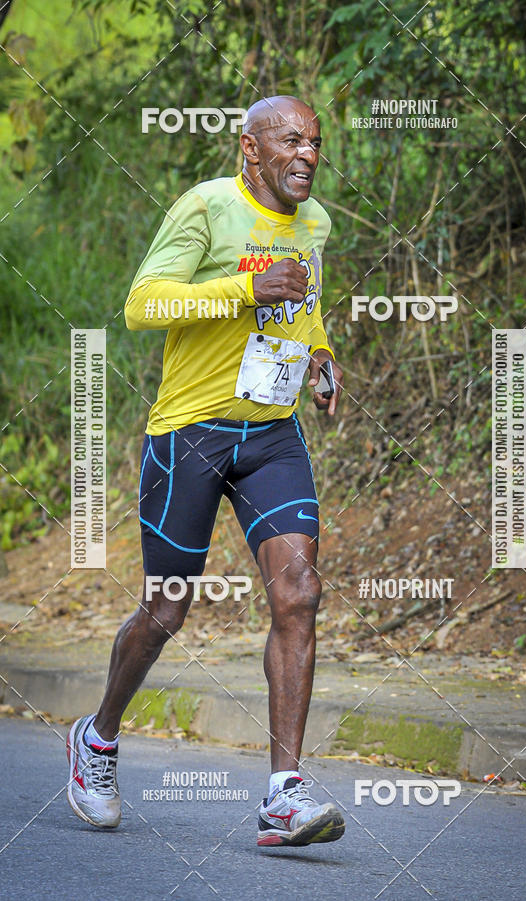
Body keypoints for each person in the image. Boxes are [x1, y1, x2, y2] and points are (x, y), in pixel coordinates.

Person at [66, 95, 345, 847]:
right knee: (166, 611)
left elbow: (304, 301)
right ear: (250, 149)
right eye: (291, 139)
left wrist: (317, 354)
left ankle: (283, 794)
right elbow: (141, 304)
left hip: (271, 434)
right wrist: (244, 288)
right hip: (189, 433)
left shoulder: (314, 223)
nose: (308, 154)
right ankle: (96, 738)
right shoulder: (207, 208)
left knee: (300, 590)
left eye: (315, 141)